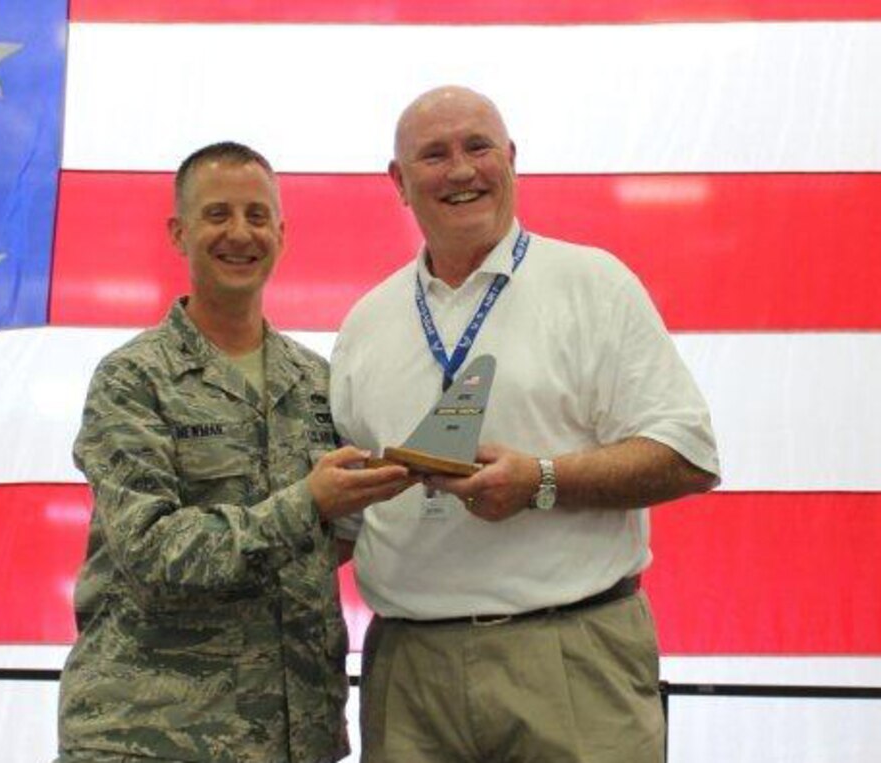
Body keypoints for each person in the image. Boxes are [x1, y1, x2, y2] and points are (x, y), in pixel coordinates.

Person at [330, 87, 721, 762]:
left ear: (511, 159)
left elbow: (687, 453)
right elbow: (347, 514)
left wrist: (541, 480)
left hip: (570, 657)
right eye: (434, 154)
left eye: (478, 147)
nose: (461, 170)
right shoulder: (366, 322)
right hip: (409, 673)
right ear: (398, 181)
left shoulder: (594, 285)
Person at [56, 141, 412, 763]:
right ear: (179, 231)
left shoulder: (316, 382)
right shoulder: (133, 380)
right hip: (152, 736)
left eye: (256, 215)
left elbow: (337, 538)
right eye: (218, 214)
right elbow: (151, 549)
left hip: (295, 735)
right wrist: (307, 503)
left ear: (281, 231)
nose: (239, 234)